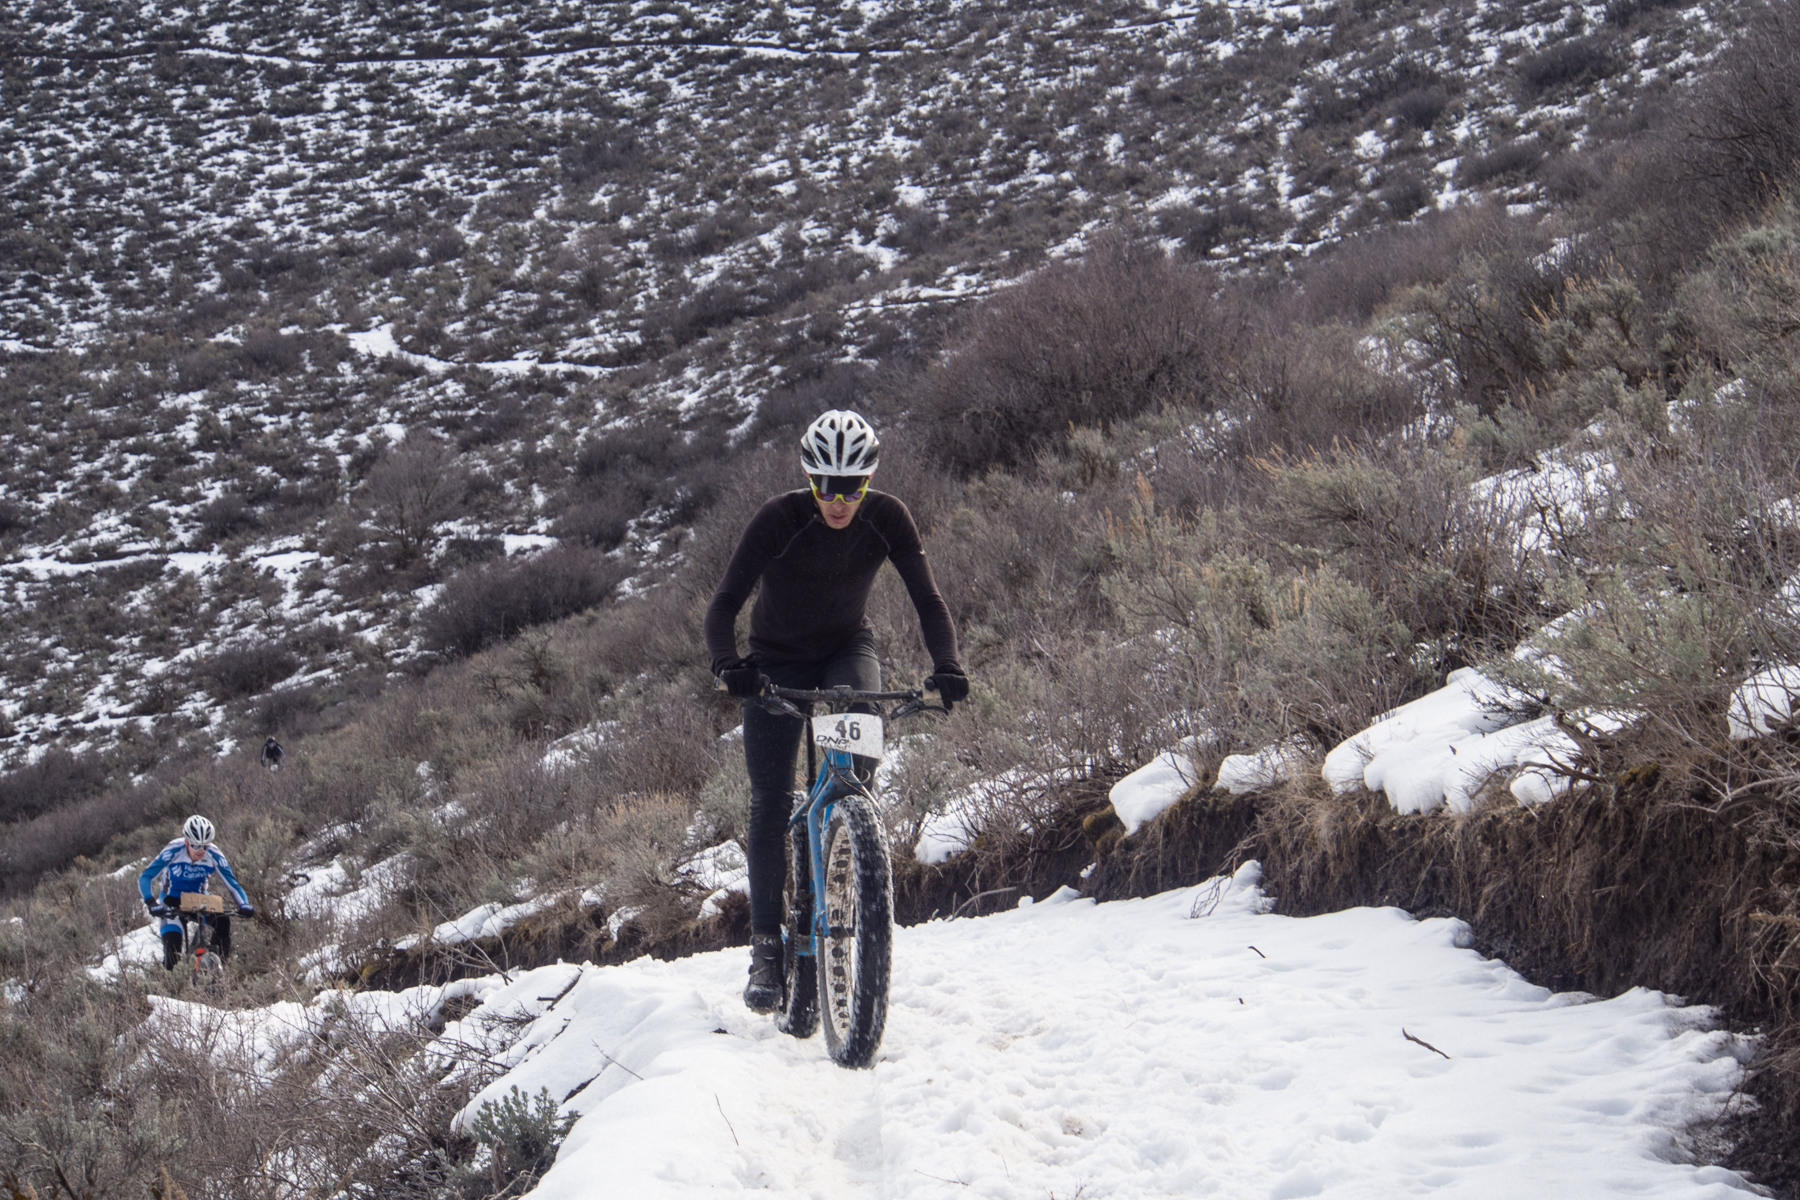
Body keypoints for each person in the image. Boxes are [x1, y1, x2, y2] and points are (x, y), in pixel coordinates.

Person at [705, 409, 970, 1012]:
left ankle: (846, 864)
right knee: (770, 801)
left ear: (868, 482)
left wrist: (948, 665)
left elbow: (928, 600)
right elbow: (723, 605)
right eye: (827, 487)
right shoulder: (779, 518)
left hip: (847, 650)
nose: (839, 501)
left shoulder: (887, 517)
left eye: (852, 488)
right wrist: (729, 665)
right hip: (775, 661)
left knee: (856, 773)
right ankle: (766, 948)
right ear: (810, 478)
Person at [138, 814, 254, 970]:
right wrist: (151, 902)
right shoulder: (173, 850)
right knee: (172, 953)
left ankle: (218, 972)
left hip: (198, 899)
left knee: (223, 921)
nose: (200, 851)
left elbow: (232, 884)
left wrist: (244, 904)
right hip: (171, 900)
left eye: (205, 846)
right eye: (195, 845)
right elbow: (146, 877)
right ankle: (170, 982)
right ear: (186, 842)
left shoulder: (214, 854)